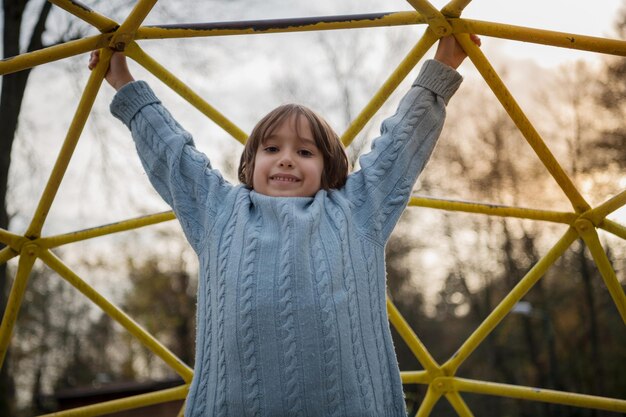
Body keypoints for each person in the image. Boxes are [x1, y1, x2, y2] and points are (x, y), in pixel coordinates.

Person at [89, 34, 480, 417]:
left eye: (305, 151)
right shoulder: (220, 210)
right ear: (249, 165)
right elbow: (172, 152)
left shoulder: (357, 209)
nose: (287, 159)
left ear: (330, 169)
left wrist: (441, 66)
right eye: (272, 149)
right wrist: (124, 82)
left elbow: (400, 147)